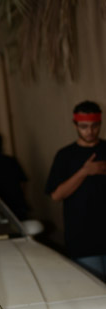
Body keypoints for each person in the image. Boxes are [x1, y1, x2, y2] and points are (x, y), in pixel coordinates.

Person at [46, 100, 106, 280]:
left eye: (94, 126)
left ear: (100, 123)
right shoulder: (65, 155)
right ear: (75, 125)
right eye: (84, 126)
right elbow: (57, 195)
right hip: (82, 240)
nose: (90, 131)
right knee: (93, 289)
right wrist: (85, 172)